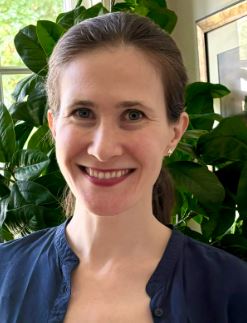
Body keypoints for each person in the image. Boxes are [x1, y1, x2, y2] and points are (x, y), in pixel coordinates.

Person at [0, 12, 247, 323]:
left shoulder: (234, 292)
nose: (103, 150)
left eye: (133, 115)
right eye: (82, 112)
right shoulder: (4, 277)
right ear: (53, 125)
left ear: (174, 132)